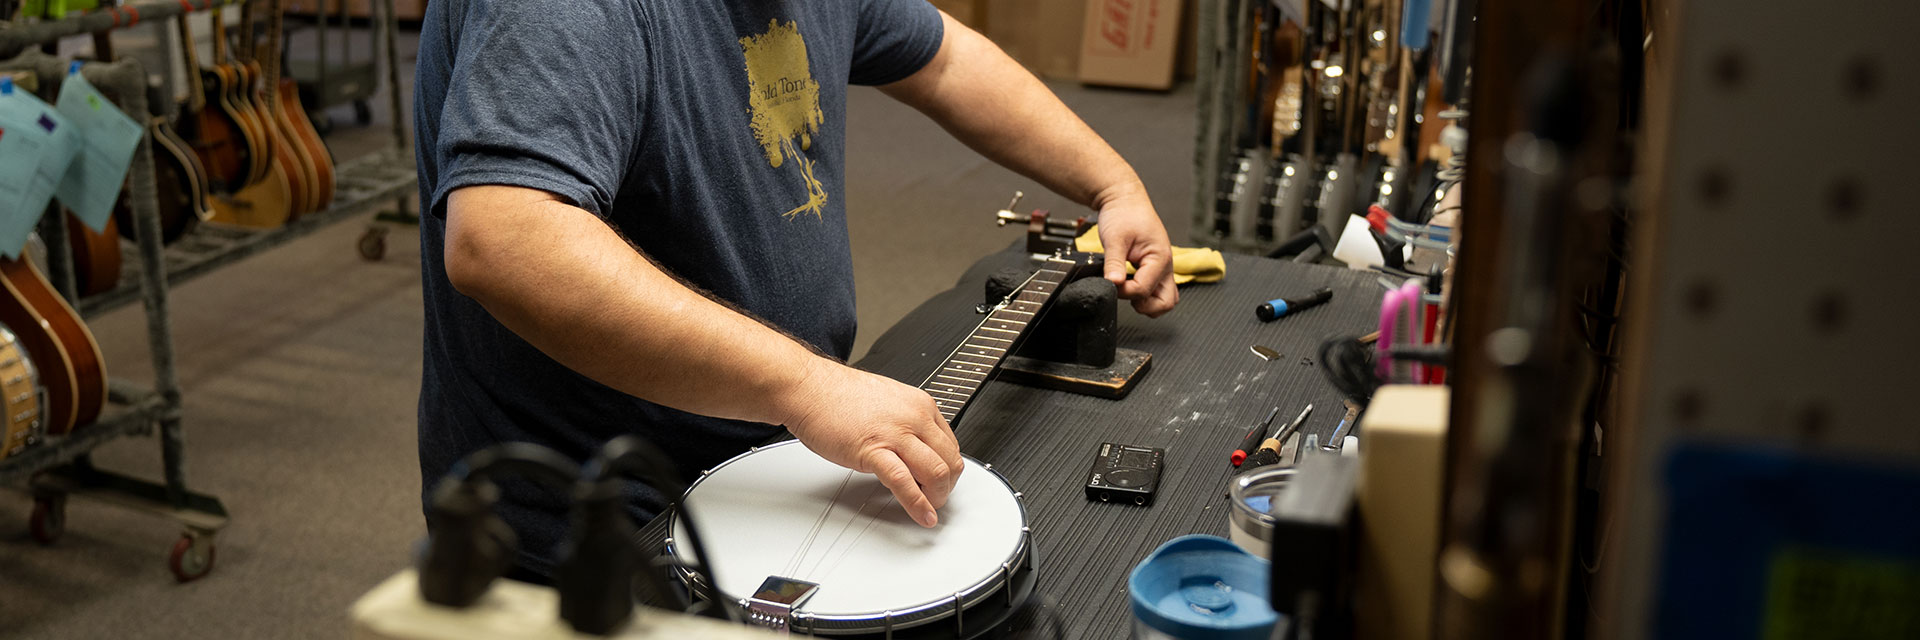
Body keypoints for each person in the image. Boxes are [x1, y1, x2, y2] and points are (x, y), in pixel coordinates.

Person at [413, 0, 1180, 579]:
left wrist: (1111, 185)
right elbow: (504, 238)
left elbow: (942, 58)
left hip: (764, 455)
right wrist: (805, 385)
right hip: (592, 514)